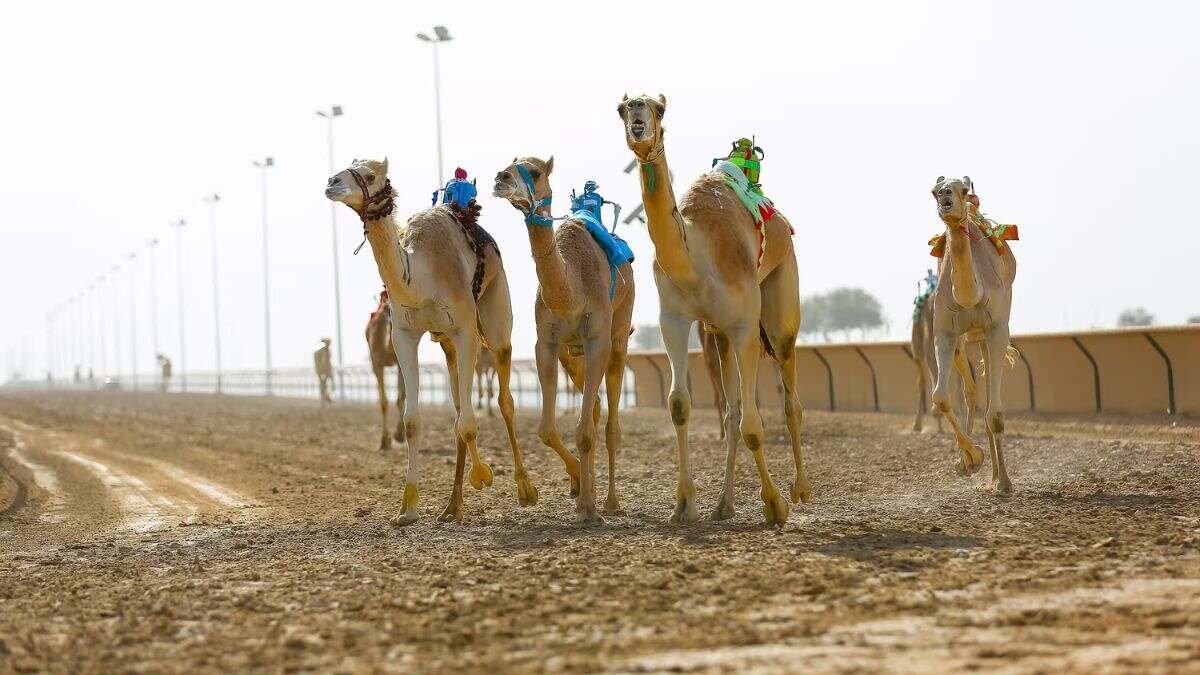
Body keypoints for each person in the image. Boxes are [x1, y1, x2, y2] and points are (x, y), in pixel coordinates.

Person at [313, 338, 334, 405]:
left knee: (324, 385)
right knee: (324, 384)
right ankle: (325, 397)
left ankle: (325, 398)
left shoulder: (320, 351)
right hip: (323, 371)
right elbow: (324, 362)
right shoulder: (323, 351)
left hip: (322, 371)